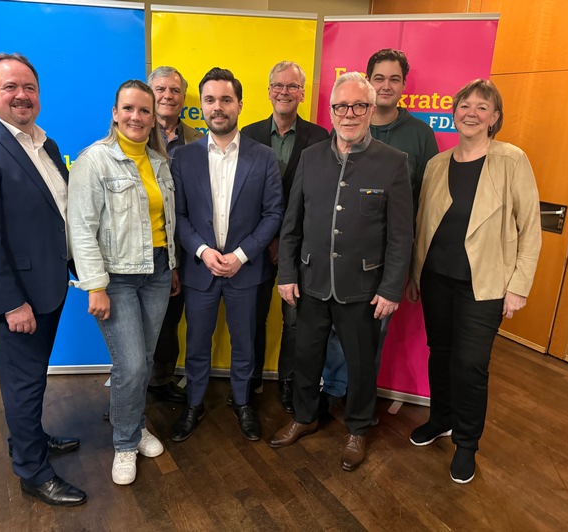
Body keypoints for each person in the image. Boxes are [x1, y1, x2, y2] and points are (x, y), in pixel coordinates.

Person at [0, 53, 86, 506]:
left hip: (48, 285)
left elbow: (57, 214)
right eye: (10, 87)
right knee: (23, 384)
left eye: (29, 87)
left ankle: (31, 439)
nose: (21, 95)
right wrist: (11, 303)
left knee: (32, 378)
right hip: (17, 298)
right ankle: (32, 471)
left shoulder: (45, 144)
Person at [268, 73, 413, 471]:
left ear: (371, 110)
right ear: (330, 112)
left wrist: (391, 288)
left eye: (358, 106)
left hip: (364, 287)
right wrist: (287, 274)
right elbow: (292, 222)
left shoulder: (393, 162)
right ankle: (304, 416)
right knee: (306, 355)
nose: (349, 114)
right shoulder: (311, 156)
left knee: (361, 364)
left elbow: (401, 235)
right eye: (341, 106)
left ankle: (358, 428)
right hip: (311, 282)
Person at [406, 79, 541, 484]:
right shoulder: (436, 164)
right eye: (465, 105)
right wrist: (414, 274)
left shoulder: (511, 160)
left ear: (494, 117)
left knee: (470, 365)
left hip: (484, 286)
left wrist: (518, 287)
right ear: (454, 112)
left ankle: (466, 444)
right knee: (440, 354)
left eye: (483, 107)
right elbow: (422, 224)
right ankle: (441, 419)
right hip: (436, 279)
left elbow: (530, 227)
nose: (472, 113)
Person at [68, 80, 178, 485]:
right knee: (130, 364)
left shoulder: (159, 162)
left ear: (153, 118)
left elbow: (165, 223)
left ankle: (135, 423)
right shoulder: (94, 161)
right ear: (115, 113)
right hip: (117, 278)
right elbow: (81, 228)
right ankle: (125, 442)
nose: (136, 116)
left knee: (143, 362)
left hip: (158, 272)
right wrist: (95, 285)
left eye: (144, 110)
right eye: (128, 109)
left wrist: (173, 266)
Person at [321, 49, 439, 413]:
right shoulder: (345, 128)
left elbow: (424, 205)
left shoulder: (420, 136)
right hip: (340, 263)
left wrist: (407, 269)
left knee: (372, 337)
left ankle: (361, 407)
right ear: (368, 85)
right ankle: (332, 394)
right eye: (379, 78)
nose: (386, 85)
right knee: (334, 334)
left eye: (394, 79)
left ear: (404, 85)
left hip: (384, 264)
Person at [171, 67, 283, 443]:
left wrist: (241, 255)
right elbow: (178, 216)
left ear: (240, 104)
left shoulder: (264, 157)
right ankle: (194, 404)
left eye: (225, 99)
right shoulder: (183, 157)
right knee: (197, 344)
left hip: (245, 271)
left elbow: (273, 214)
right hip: (199, 270)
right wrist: (203, 252)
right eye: (210, 100)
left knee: (245, 344)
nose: (217, 107)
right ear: (202, 106)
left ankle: (243, 402)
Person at [241, 60, 329, 413]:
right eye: (278, 85)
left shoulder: (320, 137)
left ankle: (289, 381)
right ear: (268, 91)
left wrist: (286, 240)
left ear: (302, 93)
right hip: (257, 246)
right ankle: (251, 379)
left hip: (301, 247)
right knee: (253, 317)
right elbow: (243, 196)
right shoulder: (248, 135)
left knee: (295, 321)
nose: (284, 92)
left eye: (292, 86)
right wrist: (268, 239)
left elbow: (318, 198)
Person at [146, 66, 205, 404]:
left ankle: (161, 378)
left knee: (171, 320)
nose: (167, 95)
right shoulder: (135, 132)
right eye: (160, 89)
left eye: (175, 90)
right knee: (137, 325)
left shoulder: (198, 139)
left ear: (183, 98)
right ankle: (129, 391)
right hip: (145, 244)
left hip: (185, 245)